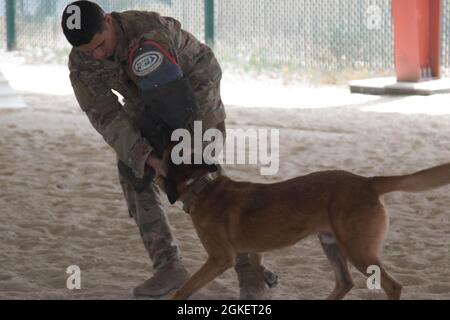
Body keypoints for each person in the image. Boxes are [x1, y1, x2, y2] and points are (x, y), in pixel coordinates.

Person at [61, 0, 277, 299]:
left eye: (101, 44)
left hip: (194, 84)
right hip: (144, 97)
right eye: (89, 51)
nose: (98, 54)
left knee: (197, 168)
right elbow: (107, 117)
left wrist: (175, 154)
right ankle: (167, 266)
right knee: (132, 169)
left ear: (108, 21)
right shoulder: (82, 62)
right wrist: (145, 156)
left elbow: (178, 107)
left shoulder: (146, 35)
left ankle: (249, 270)